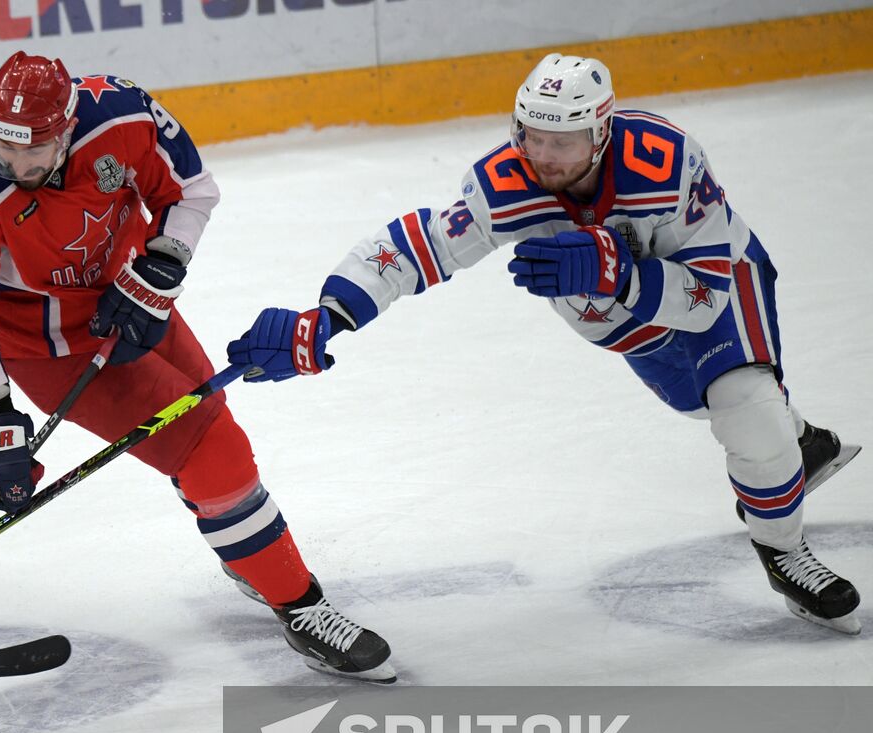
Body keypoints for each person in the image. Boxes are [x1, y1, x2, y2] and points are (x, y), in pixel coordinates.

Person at [229, 52, 862, 634]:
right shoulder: (506, 183)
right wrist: (329, 315)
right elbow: (415, 246)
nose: (546, 156)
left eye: (564, 141)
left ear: (601, 131)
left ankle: (785, 551)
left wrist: (615, 270)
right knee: (708, 408)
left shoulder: (667, 163)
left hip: (719, 281)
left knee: (745, 409)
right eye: (534, 137)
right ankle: (797, 445)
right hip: (619, 319)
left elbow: (705, 299)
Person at [0, 51, 394, 682]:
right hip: (54, 350)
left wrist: (163, 264)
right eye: (3, 151)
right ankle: (302, 609)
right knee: (214, 449)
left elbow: (191, 190)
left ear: (68, 126)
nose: (18, 168)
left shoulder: (120, 112)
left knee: (211, 423)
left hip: (134, 299)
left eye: (35, 153)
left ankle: (245, 555)